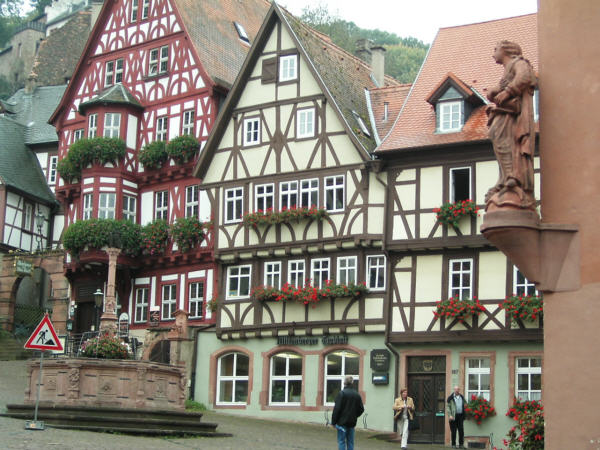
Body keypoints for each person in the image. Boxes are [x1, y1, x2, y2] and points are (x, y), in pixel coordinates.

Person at [485, 40, 537, 210]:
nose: (493, 52)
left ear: (506, 50)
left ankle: (514, 177)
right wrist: (496, 92)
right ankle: (505, 177)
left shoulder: (519, 63)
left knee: (508, 142)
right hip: (506, 113)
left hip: (513, 114)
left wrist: (507, 92)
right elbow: (496, 93)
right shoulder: (506, 71)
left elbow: (525, 77)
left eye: (495, 49)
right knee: (499, 141)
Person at [331, 375, 364, 450]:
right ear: (352, 383)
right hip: (352, 422)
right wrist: (354, 415)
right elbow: (361, 409)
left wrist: (333, 422)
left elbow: (337, 409)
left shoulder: (341, 394)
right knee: (350, 442)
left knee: (341, 441)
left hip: (341, 423)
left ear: (344, 383)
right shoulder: (357, 395)